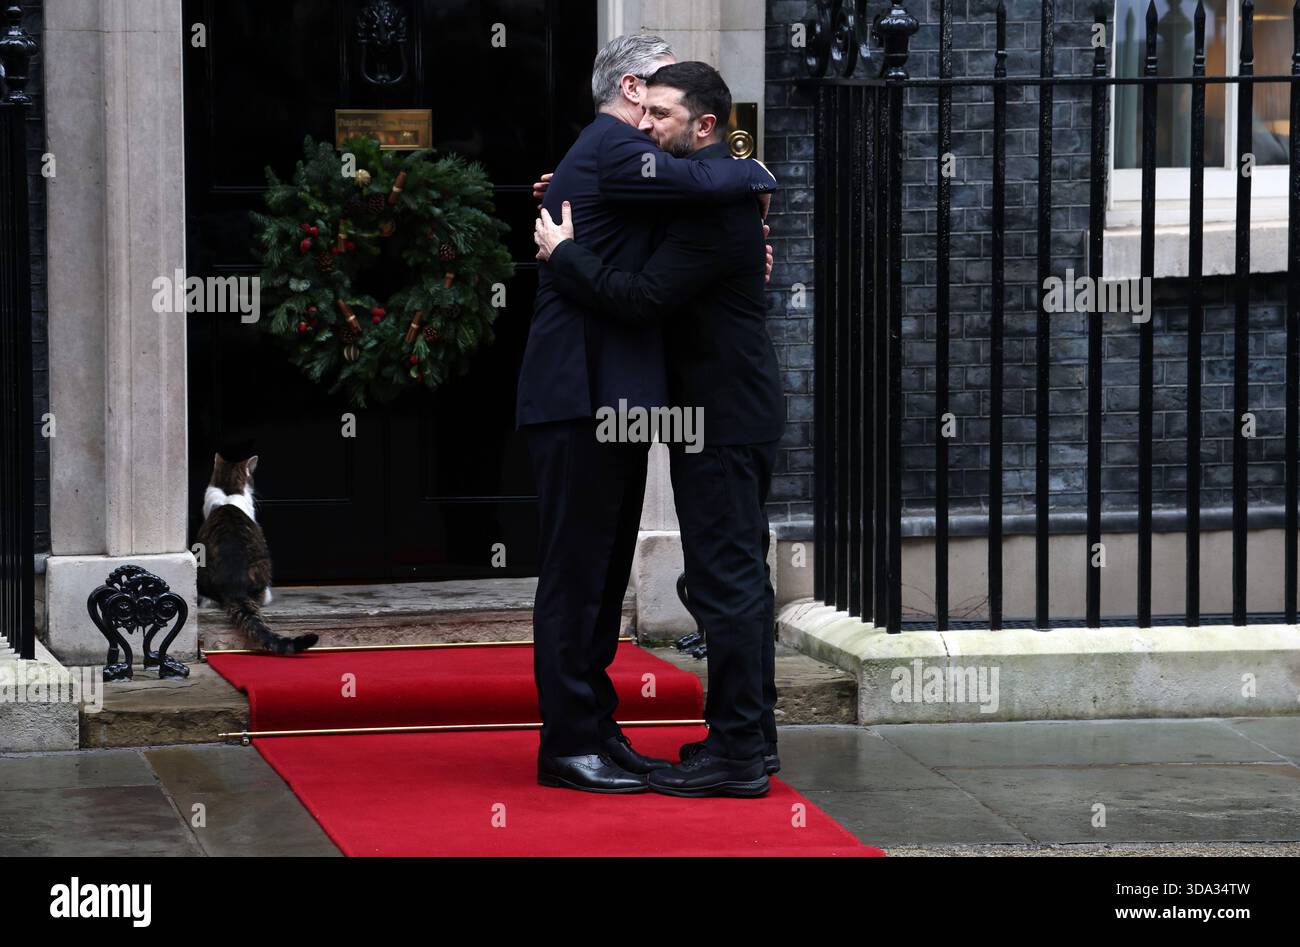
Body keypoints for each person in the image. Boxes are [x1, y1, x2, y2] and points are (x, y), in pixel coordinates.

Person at [517, 36, 777, 794]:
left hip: (612, 401)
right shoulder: (611, 146)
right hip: (578, 396)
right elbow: (710, 182)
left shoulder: (618, 161)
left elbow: (701, 190)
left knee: (599, 575)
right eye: (658, 90)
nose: (663, 108)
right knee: (577, 576)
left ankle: (596, 729)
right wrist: (755, 174)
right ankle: (570, 741)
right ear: (632, 89)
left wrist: (745, 204)